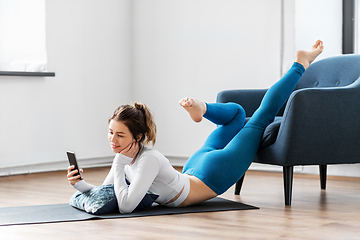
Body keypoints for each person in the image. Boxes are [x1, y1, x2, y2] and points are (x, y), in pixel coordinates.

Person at [67, 40, 324, 213]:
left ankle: (299, 64)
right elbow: (107, 192)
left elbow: (126, 206)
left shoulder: (147, 160)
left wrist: (118, 164)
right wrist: (80, 184)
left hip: (212, 174)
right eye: (111, 132)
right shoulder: (128, 157)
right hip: (194, 168)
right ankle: (203, 110)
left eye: (120, 135)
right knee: (238, 114)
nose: (113, 140)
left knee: (261, 116)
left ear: (139, 136)